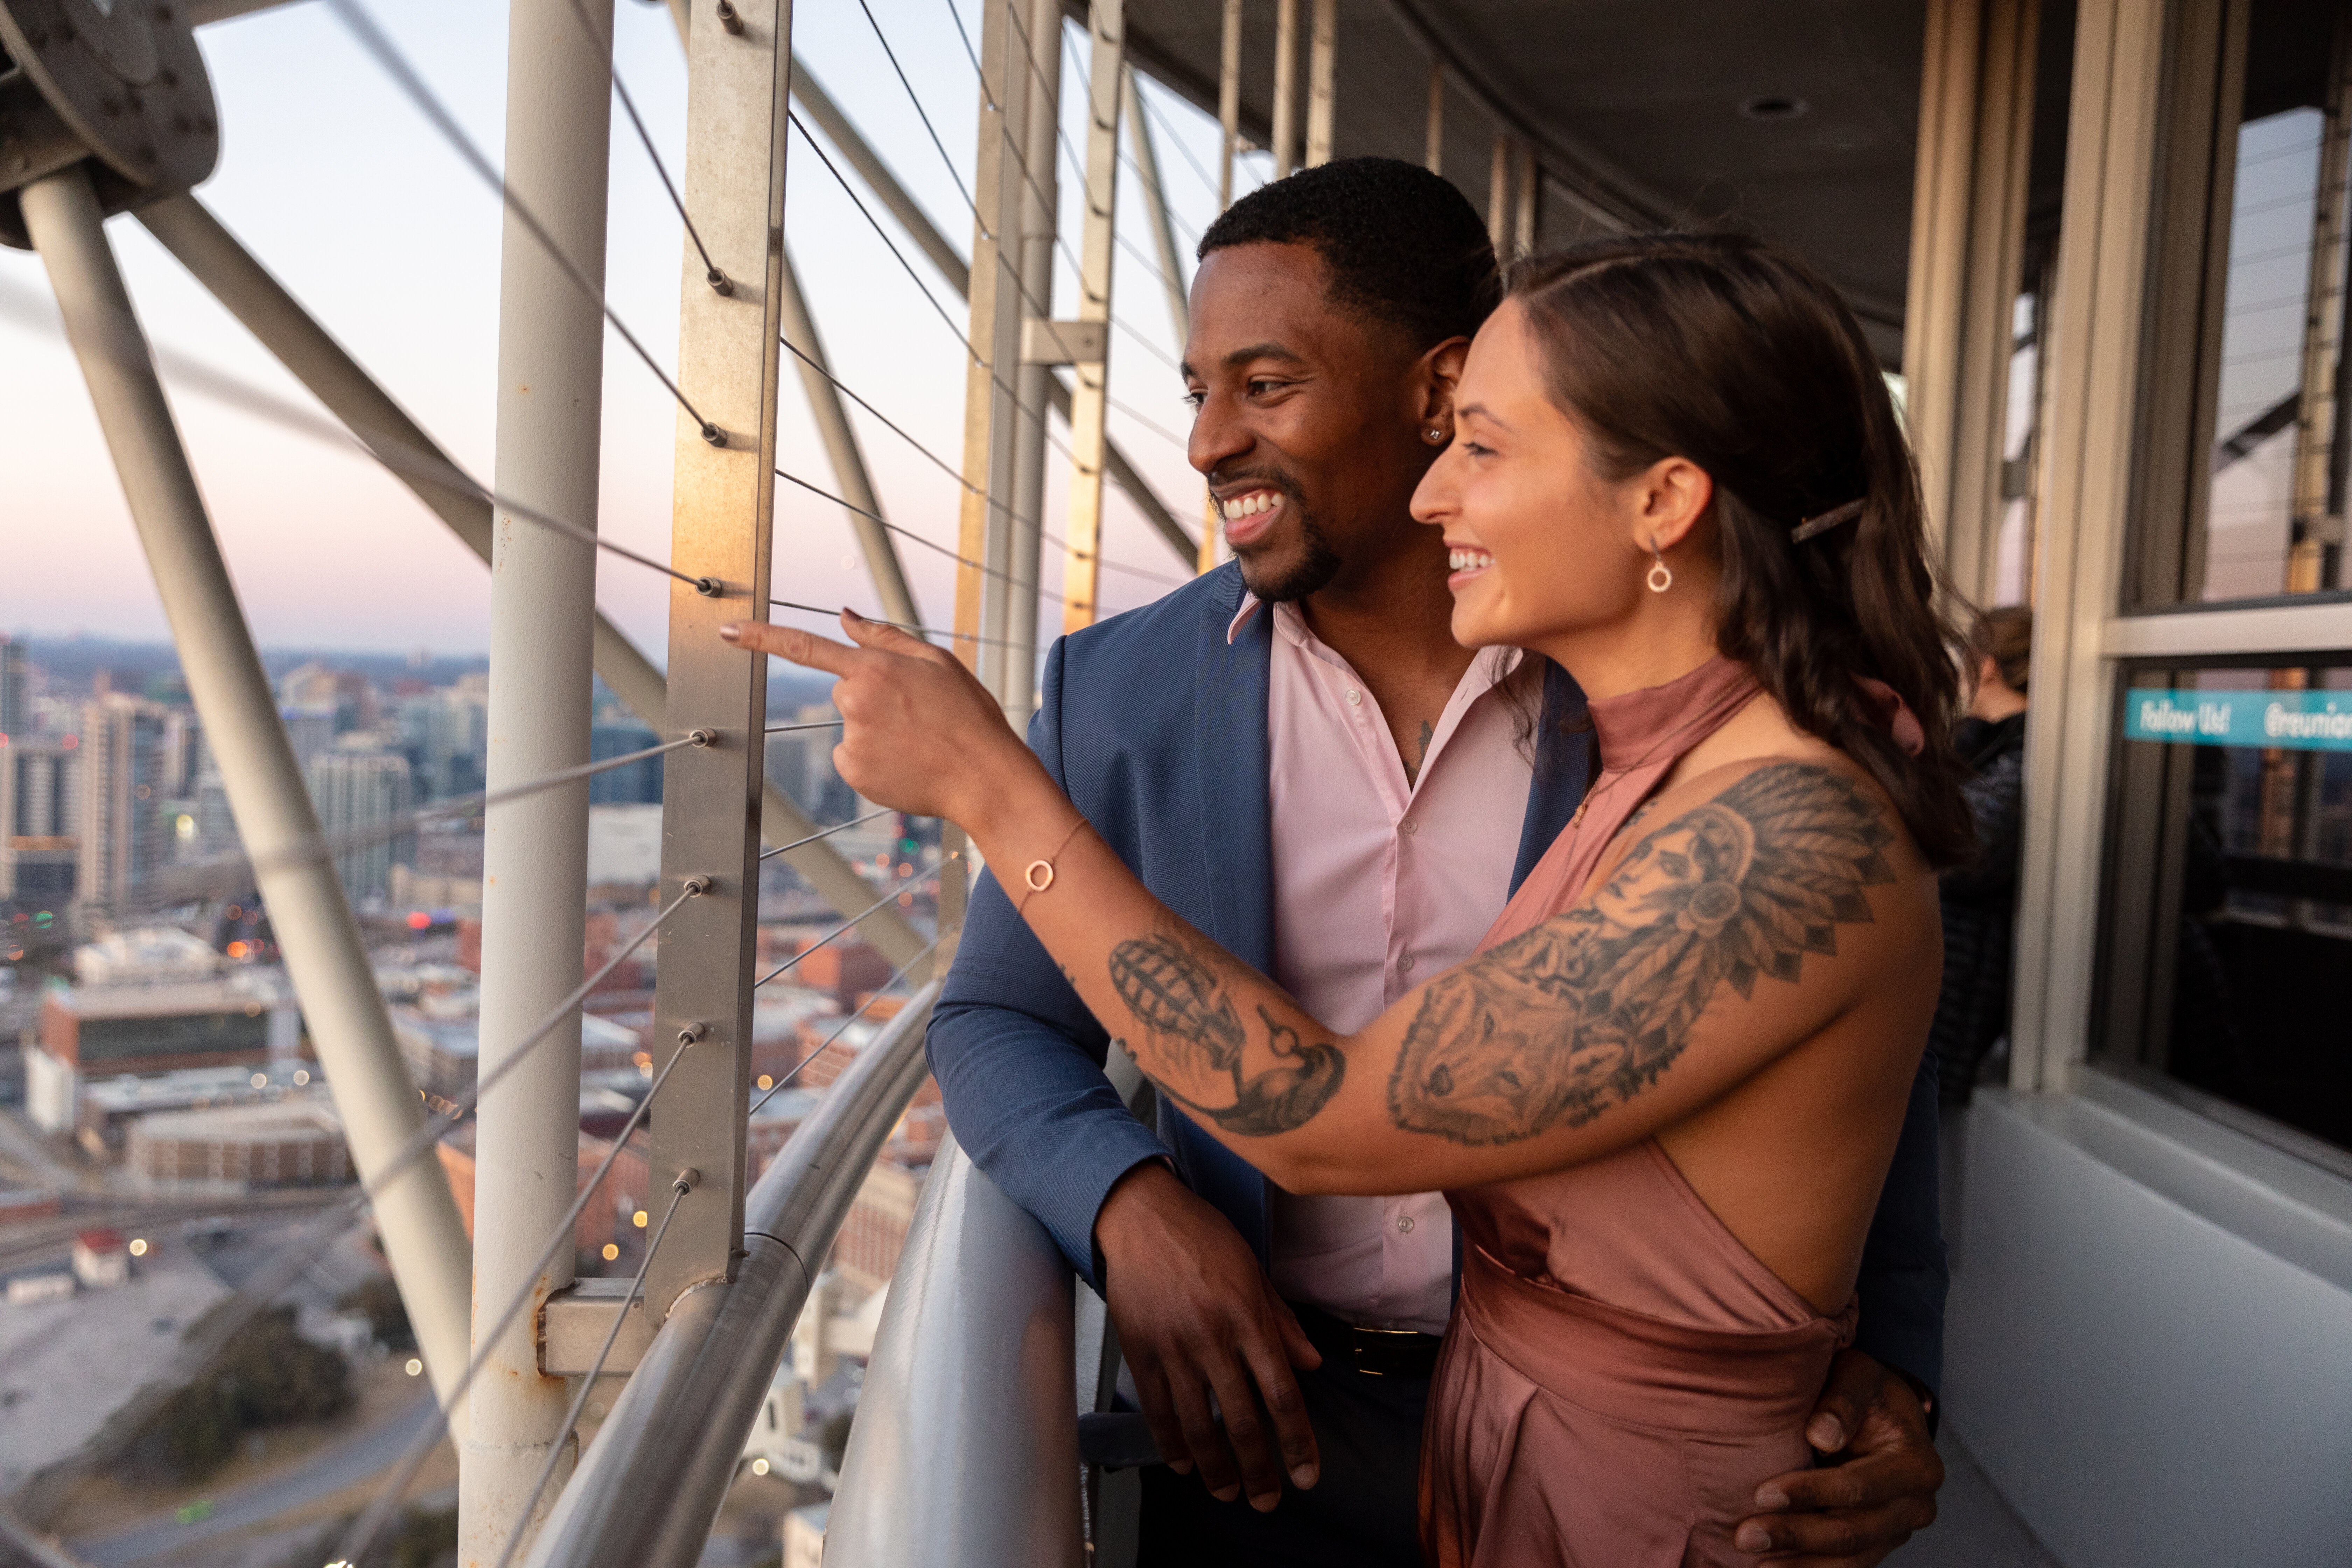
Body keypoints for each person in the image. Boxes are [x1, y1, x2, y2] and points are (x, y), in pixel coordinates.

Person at [757, 166, 1943, 1566]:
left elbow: (1333, 1111)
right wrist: (1125, 1201)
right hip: (1293, 1438)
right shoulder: (1134, 688)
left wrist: (994, 796)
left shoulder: (1745, 783)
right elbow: (1001, 1013)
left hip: (1638, 1489)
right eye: (1198, 386)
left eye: (1264, 383)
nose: (1205, 445)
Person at [1931, 607, 2029, 1103]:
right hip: (1950, 962)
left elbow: (1963, 851)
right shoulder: (1977, 742)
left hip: (1969, 974)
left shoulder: (2026, 751)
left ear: (1984, 664)